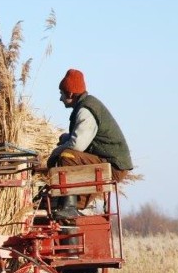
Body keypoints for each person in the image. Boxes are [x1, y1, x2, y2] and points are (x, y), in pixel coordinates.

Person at [46, 68, 133, 218]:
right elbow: (83, 138)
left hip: (113, 166)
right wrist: (66, 138)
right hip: (107, 161)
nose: (60, 98)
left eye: (61, 94)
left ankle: (71, 206)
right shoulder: (85, 106)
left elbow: (78, 145)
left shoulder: (86, 110)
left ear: (70, 94)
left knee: (67, 155)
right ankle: (67, 203)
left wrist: (56, 152)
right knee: (66, 149)